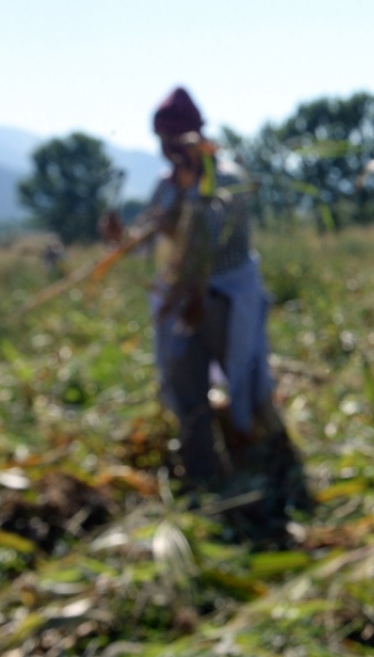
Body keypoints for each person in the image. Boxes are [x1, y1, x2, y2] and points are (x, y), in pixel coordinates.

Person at [129, 86, 310, 535]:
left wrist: (197, 291)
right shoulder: (165, 188)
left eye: (175, 138)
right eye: (163, 139)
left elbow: (210, 242)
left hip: (224, 302)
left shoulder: (226, 180)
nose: (168, 148)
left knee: (245, 381)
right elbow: (151, 241)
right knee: (187, 392)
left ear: (193, 137)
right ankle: (206, 484)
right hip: (180, 306)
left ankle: (262, 472)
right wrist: (125, 238)